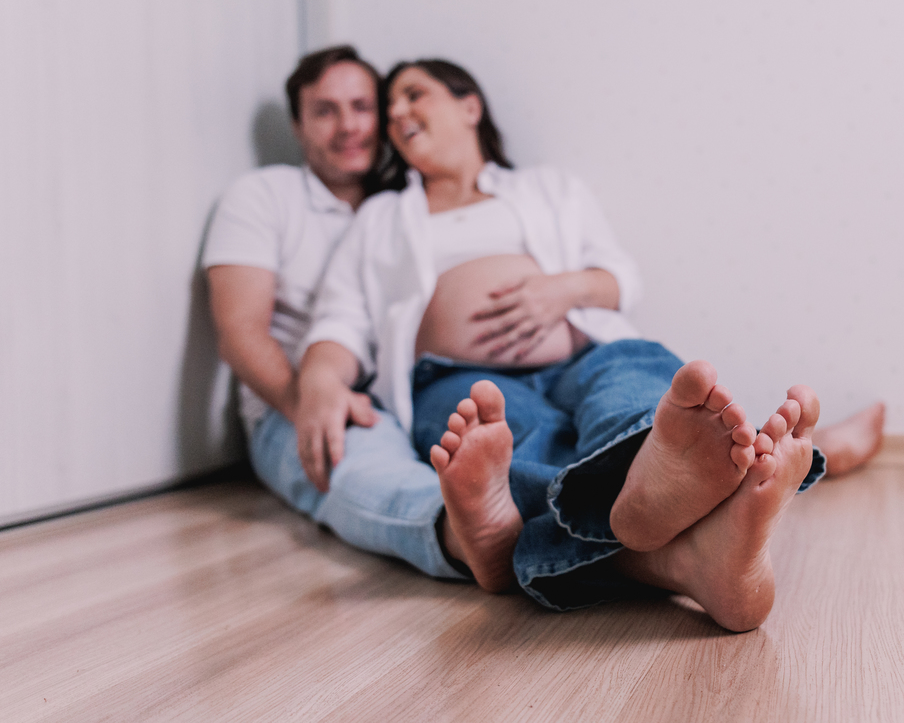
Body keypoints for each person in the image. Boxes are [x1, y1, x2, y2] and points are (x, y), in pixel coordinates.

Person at [294, 59, 831, 630]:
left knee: (635, 378)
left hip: (583, 349)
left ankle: (651, 470)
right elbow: (340, 321)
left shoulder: (546, 189)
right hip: (460, 376)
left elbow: (620, 277)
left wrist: (562, 290)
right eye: (391, 104)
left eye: (414, 94)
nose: (396, 112)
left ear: (469, 106)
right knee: (517, 439)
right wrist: (320, 381)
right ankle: (691, 553)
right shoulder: (380, 218)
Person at [203, 46, 470, 581]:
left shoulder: (407, 203)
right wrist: (309, 401)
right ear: (299, 127)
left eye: (361, 107)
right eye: (325, 111)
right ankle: (463, 534)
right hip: (295, 399)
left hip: (407, 391)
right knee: (368, 471)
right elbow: (239, 334)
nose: (348, 125)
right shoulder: (262, 197)